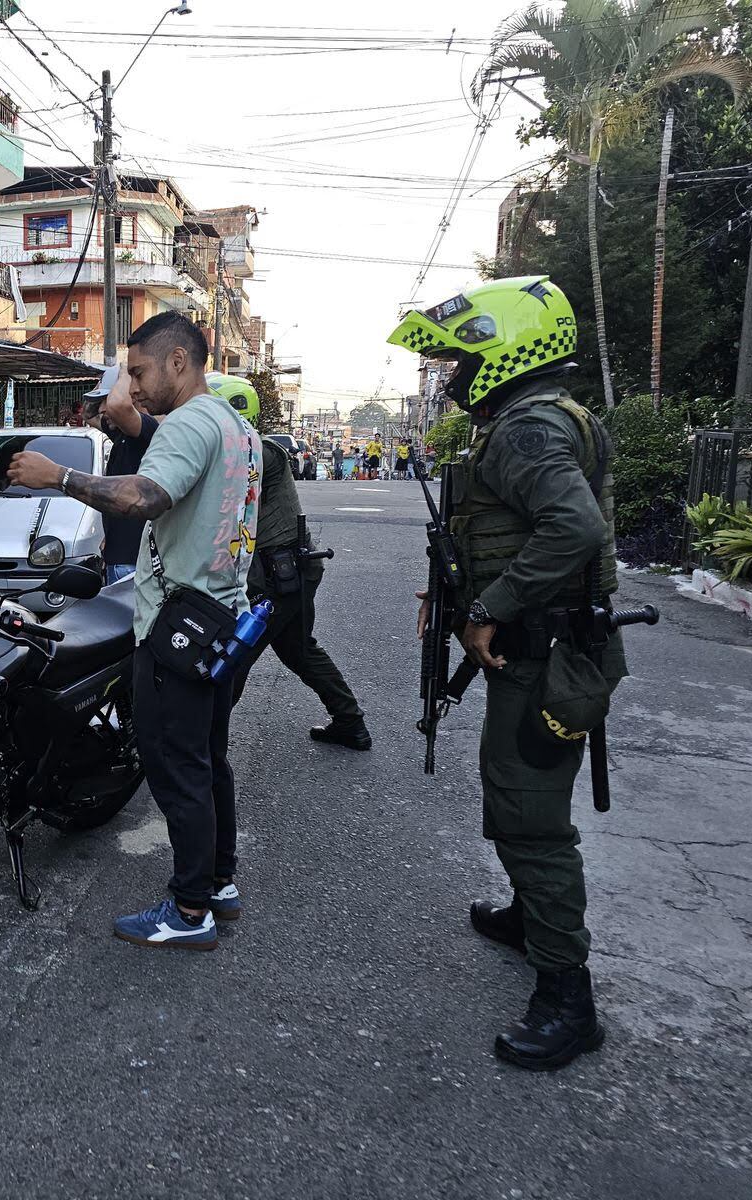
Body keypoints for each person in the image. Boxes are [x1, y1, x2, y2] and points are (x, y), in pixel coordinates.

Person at [388, 274, 624, 1071]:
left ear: (506, 349)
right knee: (522, 794)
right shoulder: (543, 416)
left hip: (545, 653)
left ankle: (568, 999)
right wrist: (465, 589)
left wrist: (490, 605)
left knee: (530, 818)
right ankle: (530, 918)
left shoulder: (527, 428)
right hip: (542, 648)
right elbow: (517, 530)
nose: (455, 375)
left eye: (462, 358)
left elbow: (574, 528)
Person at [7, 312, 259, 951]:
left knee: (175, 768)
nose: (135, 386)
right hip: (219, 618)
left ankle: (191, 909)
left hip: (178, 629)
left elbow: (142, 498)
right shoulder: (238, 427)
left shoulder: (190, 423)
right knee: (207, 762)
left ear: (179, 361)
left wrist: (59, 476)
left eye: (140, 371)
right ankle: (219, 883)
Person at [216, 375, 370, 751]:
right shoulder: (249, 450)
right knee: (298, 649)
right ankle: (350, 722)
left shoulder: (260, 452)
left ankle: (202, 744)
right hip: (288, 570)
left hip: (279, 575)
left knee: (235, 654)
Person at [85, 362, 158, 584]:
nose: (103, 409)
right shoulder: (121, 435)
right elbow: (88, 413)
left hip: (132, 561)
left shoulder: (147, 430)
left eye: (107, 400)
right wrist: (106, 382)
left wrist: (126, 372)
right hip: (116, 558)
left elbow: (118, 406)